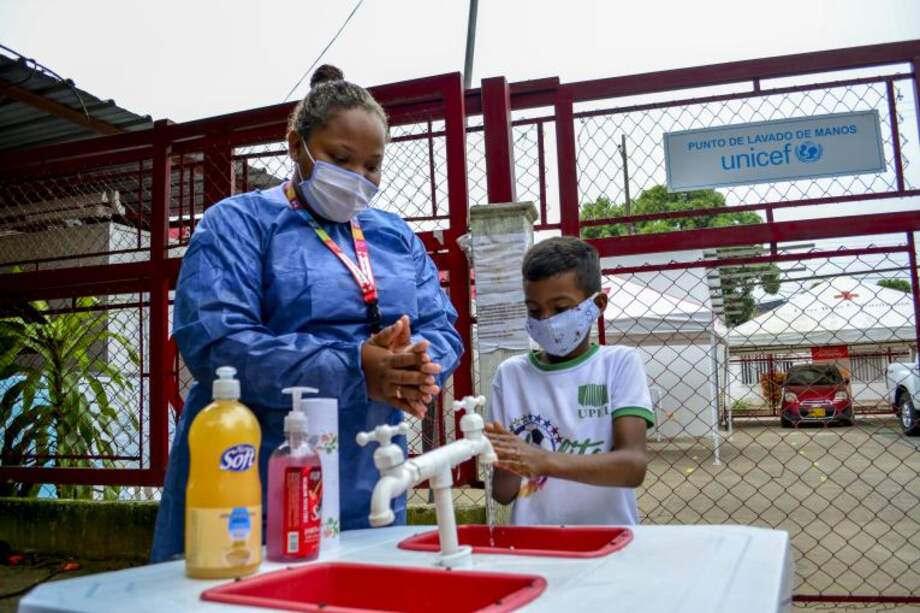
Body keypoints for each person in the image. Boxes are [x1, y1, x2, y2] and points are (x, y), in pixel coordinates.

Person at [151, 65, 463, 562]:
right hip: (252, 468)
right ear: (296, 146)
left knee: (367, 584)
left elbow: (442, 328)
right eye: (341, 159)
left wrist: (414, 367)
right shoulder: (237, 224)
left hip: (369, 470)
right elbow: (217, 343)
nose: (359, 179)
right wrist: (356, 366)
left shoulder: (396, 237)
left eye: (373, 166)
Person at [485, 236, 653, 525]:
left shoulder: (618, 364)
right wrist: (507, 459)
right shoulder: (511, 375)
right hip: (536, 544)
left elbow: (633, 466)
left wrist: (541, 460)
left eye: (561, 309)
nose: (547, 320)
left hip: (608, 539)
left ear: (597, 305)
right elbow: (502, 493)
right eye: (534, 311)